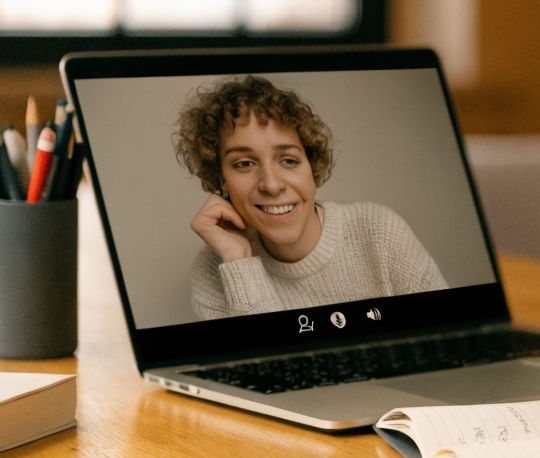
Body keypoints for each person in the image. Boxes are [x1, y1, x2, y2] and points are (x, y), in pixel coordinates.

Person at [174, 75, 448, 320]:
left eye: (289, 160)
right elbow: (267, 372)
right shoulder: (215, 268)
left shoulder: (379, 231)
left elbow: (448, 340)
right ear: (221, 179)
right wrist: (239, 260)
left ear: (311, 165)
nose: (271, 184)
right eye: (244, 163)